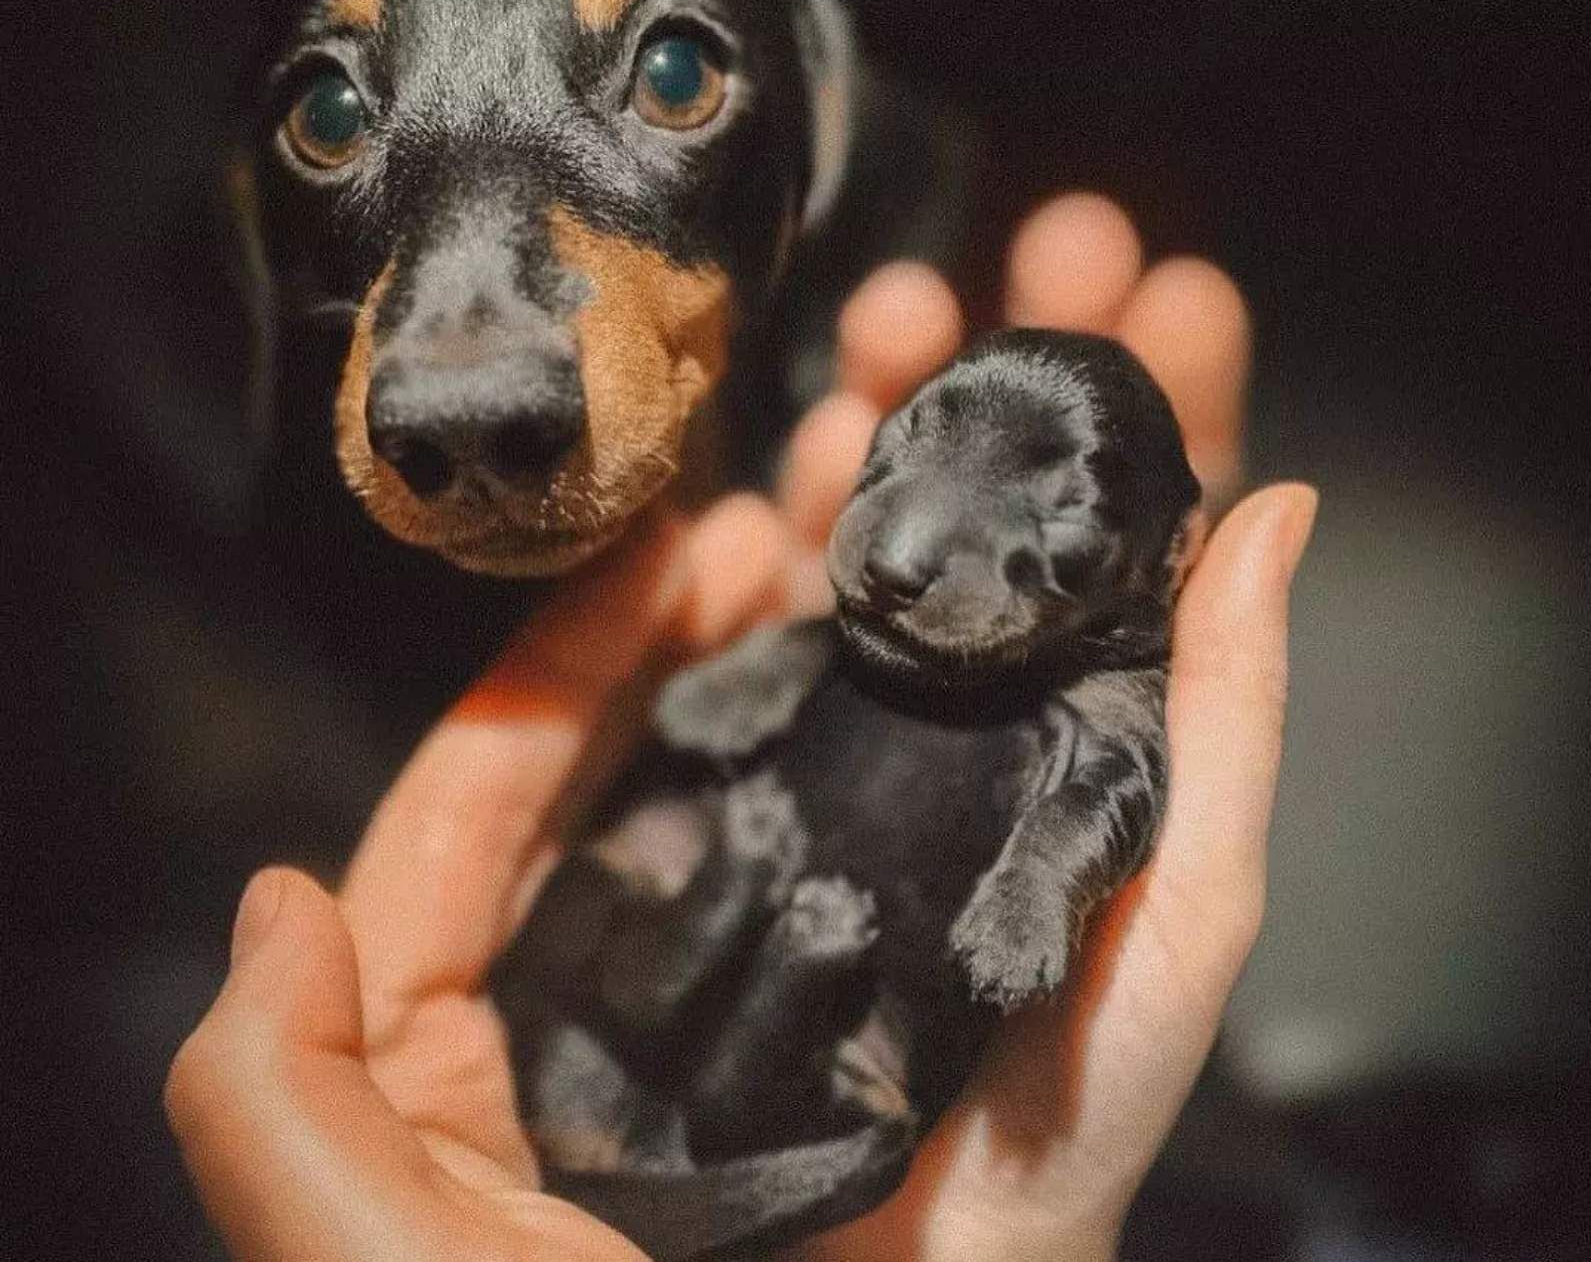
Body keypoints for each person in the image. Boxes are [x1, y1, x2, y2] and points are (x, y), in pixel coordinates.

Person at [164, 193, 1317, 1262]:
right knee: (646, 858)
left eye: (1063, 502)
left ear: (1171, 558)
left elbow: (1109, 789)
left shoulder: (1106, 696)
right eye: (920, 434)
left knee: (847, 1105)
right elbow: (816, 646)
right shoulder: (860, 612)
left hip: (809, 1074)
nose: (904, 548)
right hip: (614, 985)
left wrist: (1039, 882)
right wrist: (773, 664)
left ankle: (765, 1011)